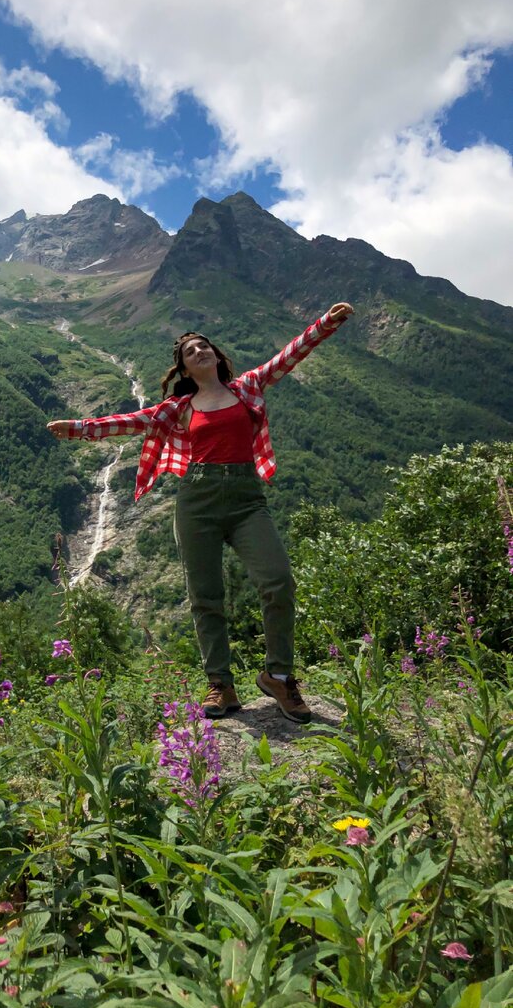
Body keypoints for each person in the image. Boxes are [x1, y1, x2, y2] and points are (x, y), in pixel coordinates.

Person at [47, 303, 355, 723]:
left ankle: (278, 675)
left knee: (278, 581)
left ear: (217, 356)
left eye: (204, 346)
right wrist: (79, 429)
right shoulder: (180, 408)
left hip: (247, 499)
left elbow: (290, 355)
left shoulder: (248, 387)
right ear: (185, 370)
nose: (199, 352)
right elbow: (129, 421)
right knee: (206, 598)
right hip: (197, 501)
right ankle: (220, 685)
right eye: (191, 351)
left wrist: (326, 323)